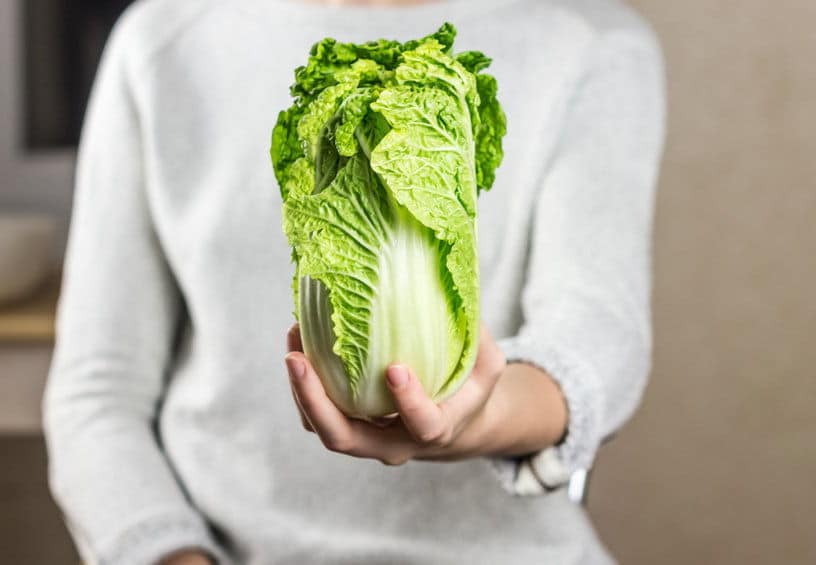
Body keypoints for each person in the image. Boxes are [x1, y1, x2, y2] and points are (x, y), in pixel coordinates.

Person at [43, 0, 665, 563]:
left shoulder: (591, 40)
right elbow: (98, 391)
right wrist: (173, 554)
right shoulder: (163, 39)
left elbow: (596, 341)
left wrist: (474, 418)